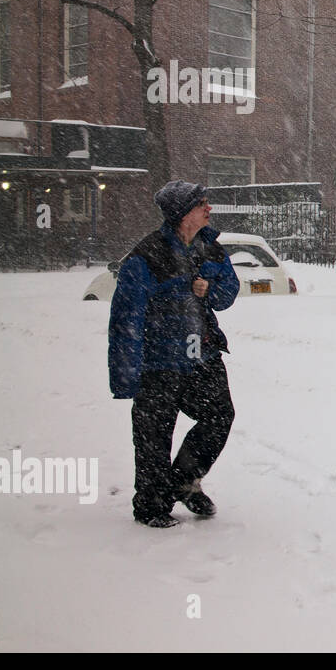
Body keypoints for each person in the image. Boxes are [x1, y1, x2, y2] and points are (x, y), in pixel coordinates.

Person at [108, 181, 240, 528]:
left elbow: (229, 293)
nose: (209, 209)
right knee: (154, 433)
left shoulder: (210, 248)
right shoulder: (146, 255)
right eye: (202, 204)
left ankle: (183, 479)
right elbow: (126, 317)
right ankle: (151, 506)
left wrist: (210, 288)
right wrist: (126, 375)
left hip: (203, 355)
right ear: (183, 213)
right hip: (160, 360)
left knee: (219, 416)